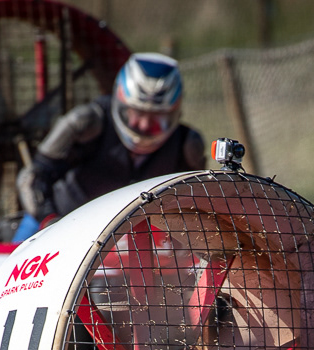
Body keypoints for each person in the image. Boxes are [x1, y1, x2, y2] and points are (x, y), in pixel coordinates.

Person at [14, 53, 206, 240]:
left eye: (157, 117)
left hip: (143, 241)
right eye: (138, 113)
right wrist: (50, 222)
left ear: (174, 113)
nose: (145, 125)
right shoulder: (86, 122)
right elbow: (33, 177)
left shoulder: (187, 145)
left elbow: (197, 202)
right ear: (121, 103)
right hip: (57, 227)